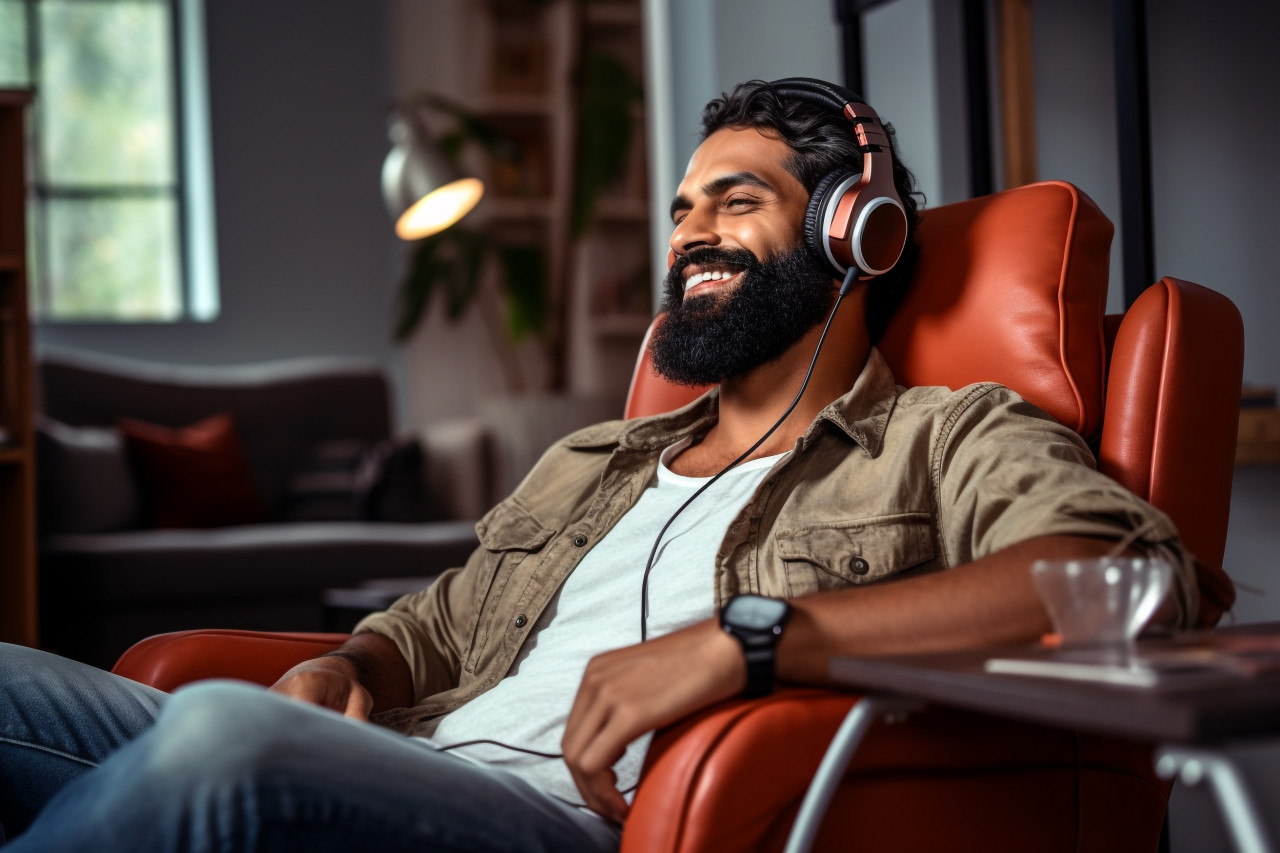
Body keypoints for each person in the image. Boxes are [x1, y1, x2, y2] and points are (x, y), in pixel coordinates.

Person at [0, 78, 1209, 852]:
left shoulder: (939, 435)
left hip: (560, 822)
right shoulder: (597, 457)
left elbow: (1122, 576)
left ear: (857, 230)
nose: (689, 236)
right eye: (682, 210)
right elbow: (434, 625)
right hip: (402, 755)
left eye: (736, 203)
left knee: (218, 741)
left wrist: (750, 636)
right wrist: (346, 658)